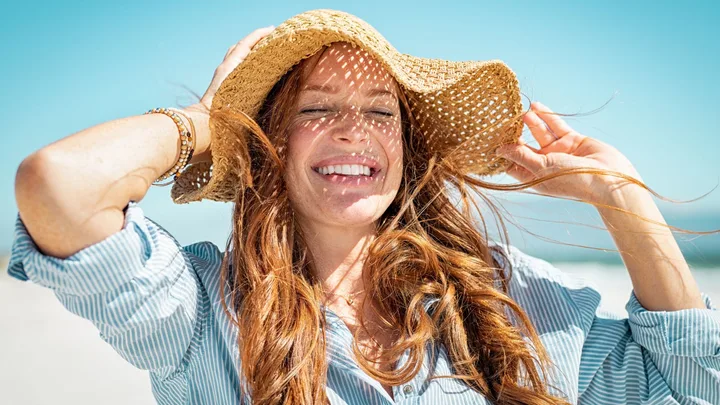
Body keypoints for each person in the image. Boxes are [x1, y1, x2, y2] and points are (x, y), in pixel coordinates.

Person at [9, 9, 719, 405]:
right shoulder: (202, 310)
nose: (354, 130)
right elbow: (60, 186)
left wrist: (623, 200)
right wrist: (207, 120)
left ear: (405, 148)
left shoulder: (503, 297)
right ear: (273, 146)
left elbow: (689, 388)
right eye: (317, 109)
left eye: (382, 112)